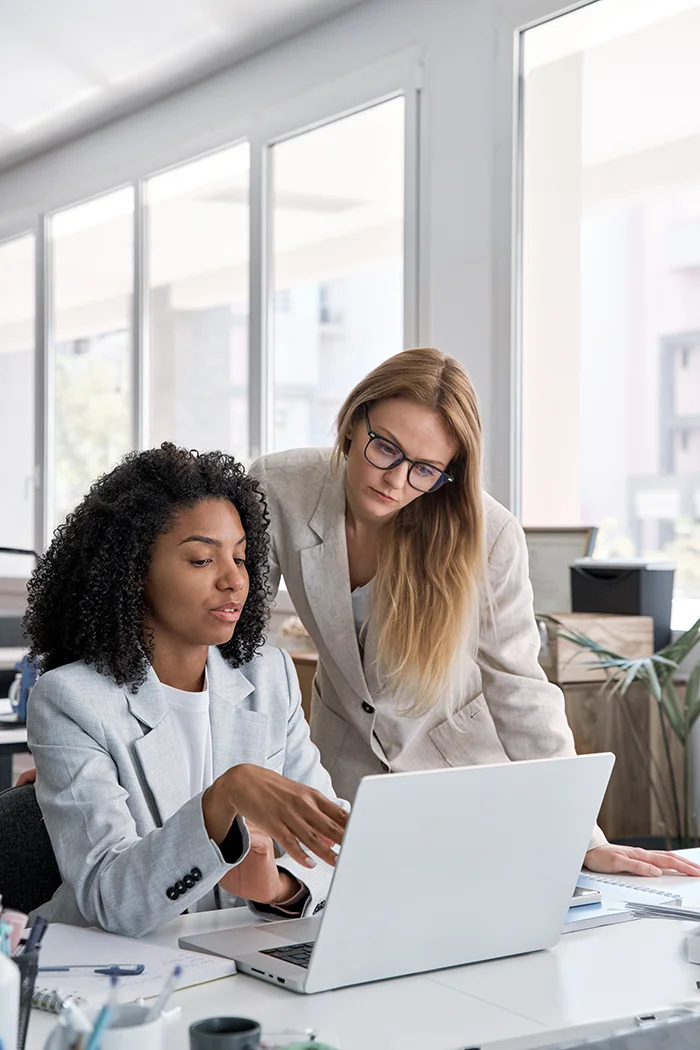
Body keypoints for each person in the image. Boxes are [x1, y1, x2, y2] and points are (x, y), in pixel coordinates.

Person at [250, 347, 700, 880]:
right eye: (385, 448)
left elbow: (519, 688)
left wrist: (580, 833)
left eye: (424, 469)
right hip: (338, 768)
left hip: (459, 775)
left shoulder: (489, 534)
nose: (396, 481)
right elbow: (240, 645)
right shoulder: (280, 488)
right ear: (353, 421)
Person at [22, 444, 348, 937]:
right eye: (201, 559)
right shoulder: (71, 702)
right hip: (105, 971)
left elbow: (336, 841)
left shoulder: (270, 678)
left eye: (240, 557)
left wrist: (279, 887)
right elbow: (111, 899)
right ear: (133, 570)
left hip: (234, 959)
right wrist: (226, 797)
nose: (234, 580)